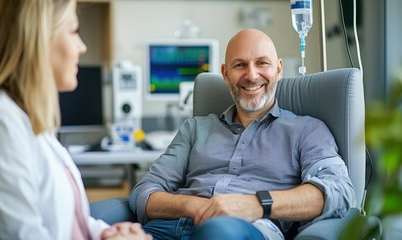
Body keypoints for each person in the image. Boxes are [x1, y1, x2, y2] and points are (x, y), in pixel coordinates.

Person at [129, 28, 356, 240]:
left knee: (216, 231)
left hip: (244, 230)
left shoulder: (307, 130)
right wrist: (196, 206)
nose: (251, 75)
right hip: (168, 229)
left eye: (262, 63)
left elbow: (340, 191)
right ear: (225, 74)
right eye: (240, 65)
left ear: (278, 69)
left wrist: (257, 204)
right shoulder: (195, 129)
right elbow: (144, 192)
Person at [0, 1, 151, 240]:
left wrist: (105, 233)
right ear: (36, 37)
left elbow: (66, 219)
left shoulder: (27, 121)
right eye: (73, 30)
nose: (82, 47)